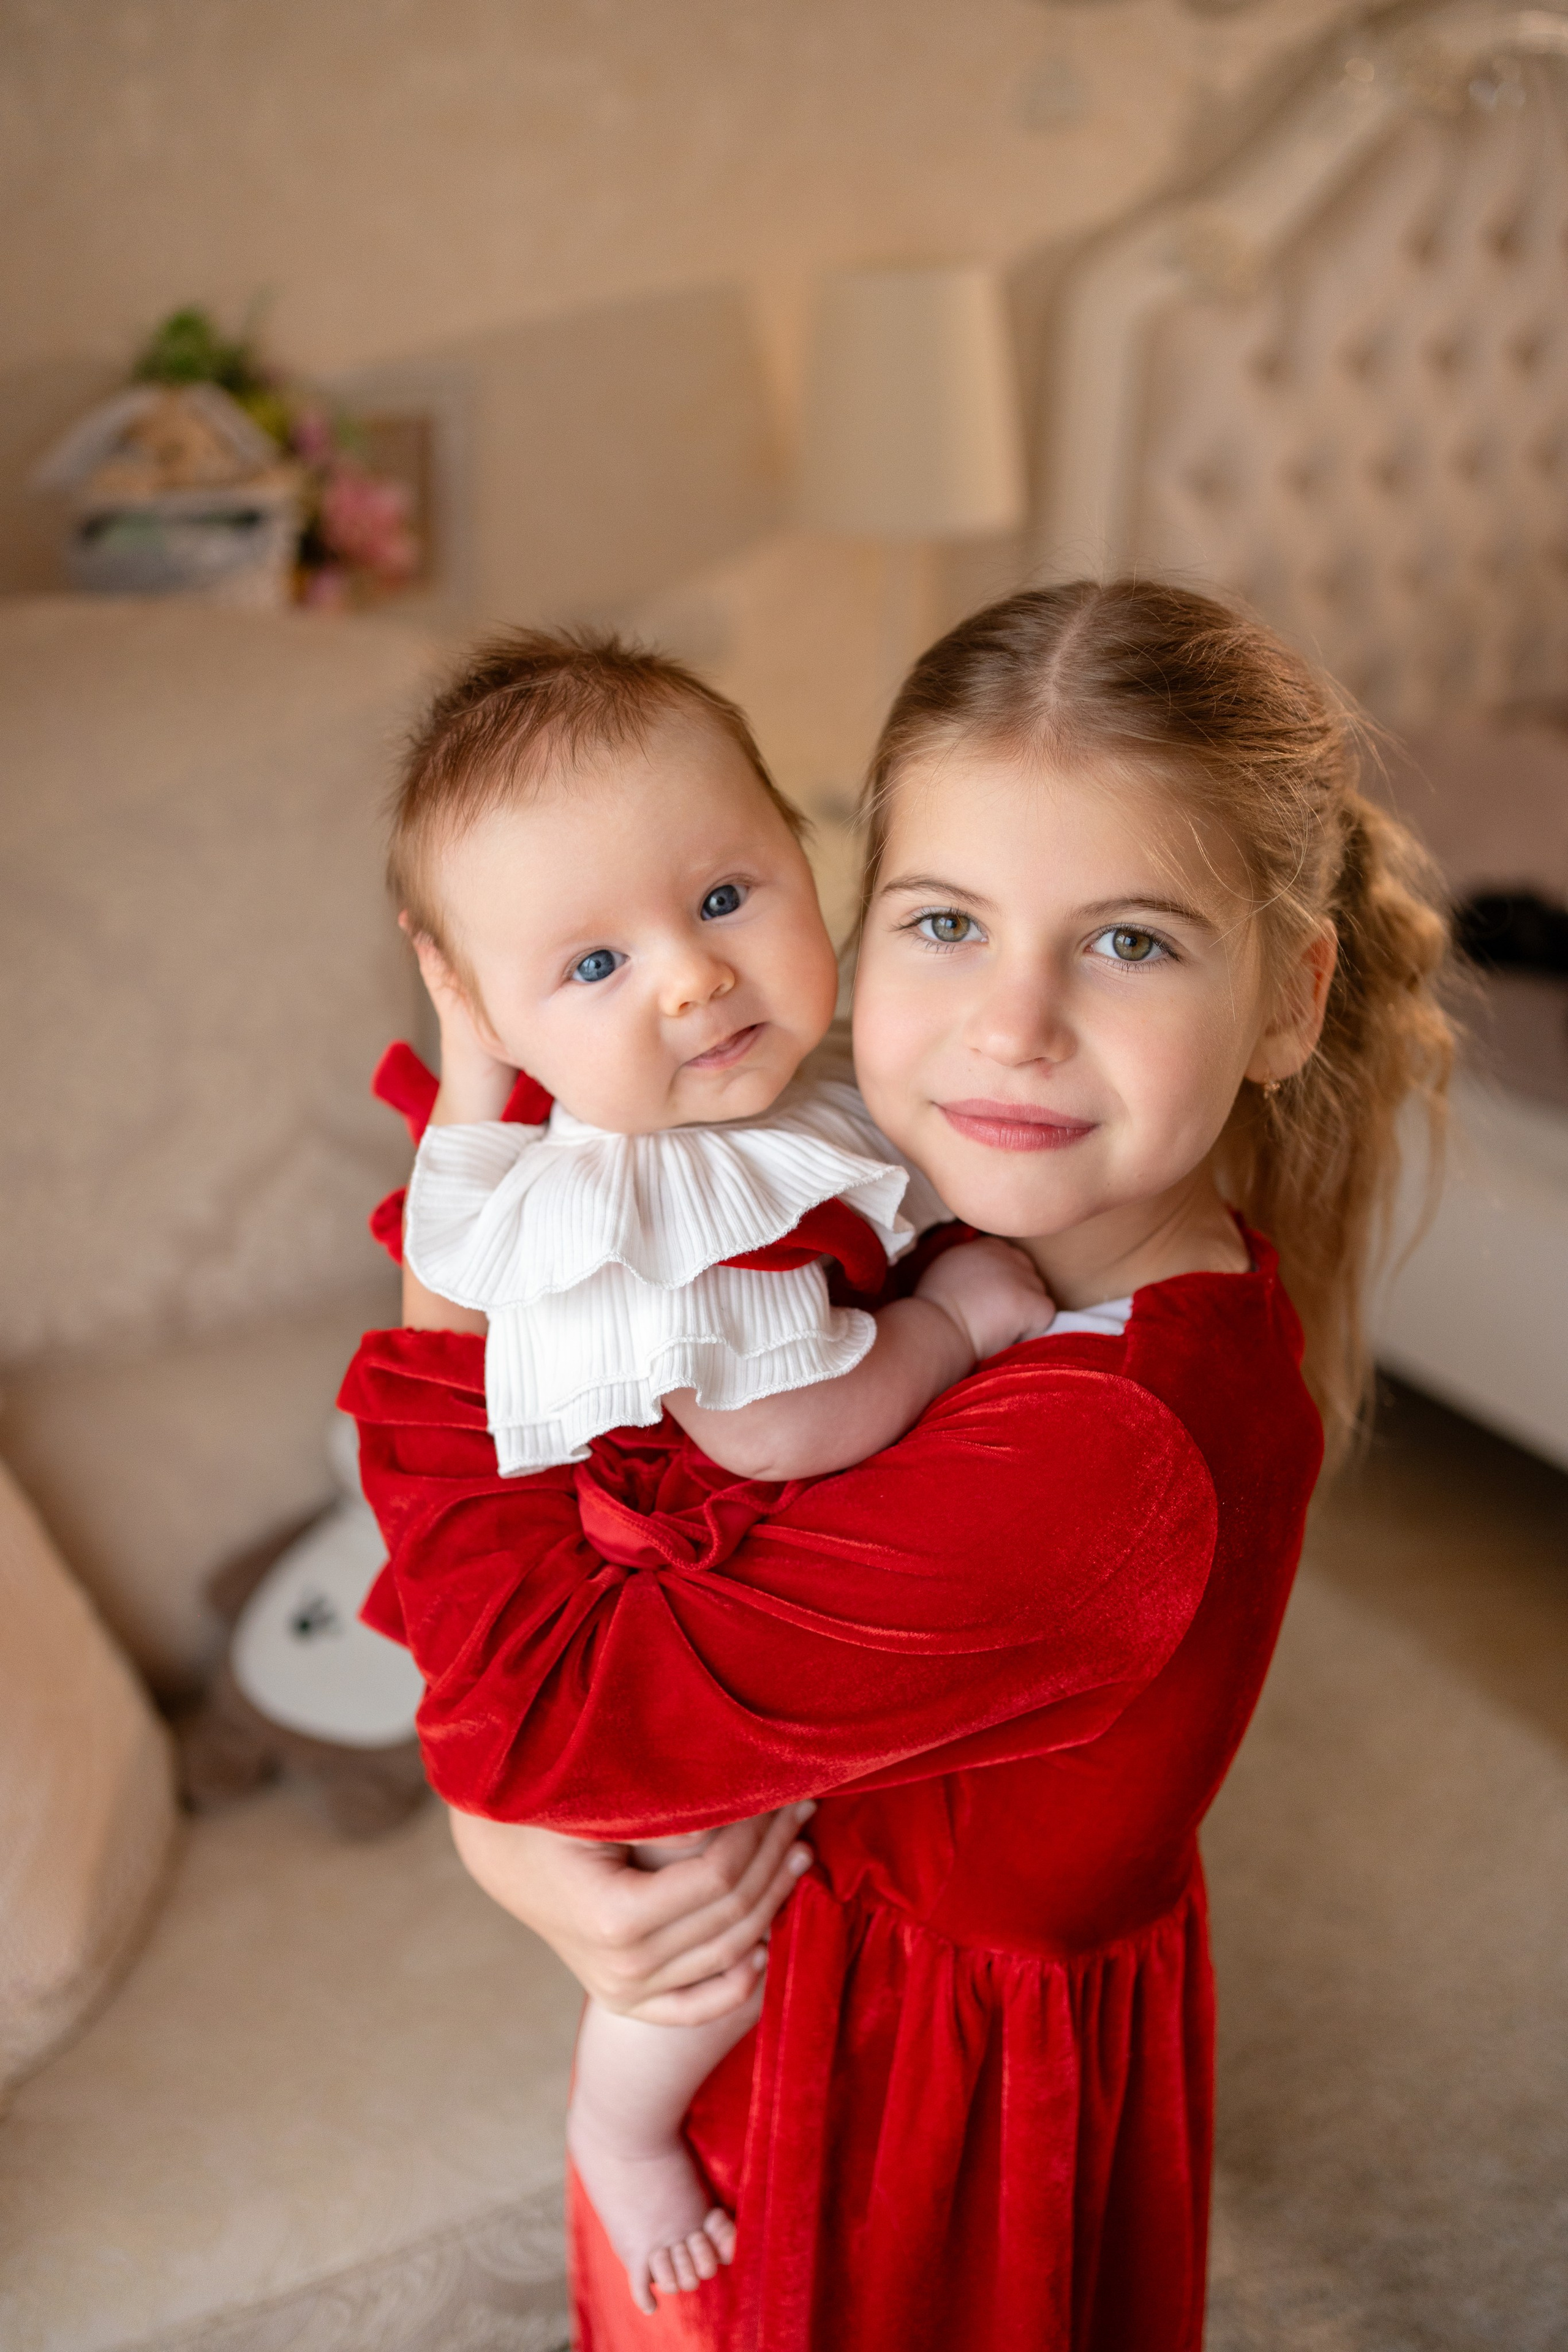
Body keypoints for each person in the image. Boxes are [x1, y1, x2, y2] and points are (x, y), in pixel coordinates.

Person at [343, 580, 1454, 2351]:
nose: (1009, 1025)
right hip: (804, 1955)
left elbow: (543, 1711)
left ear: (1288, 998)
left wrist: (496, 1826)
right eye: (944, 921)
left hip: (866, 2109)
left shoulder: (1110, 1473)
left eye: (1134, 941)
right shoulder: (938, 1182)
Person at [376, 628, 1060, 2309]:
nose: (689, 979)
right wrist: (954, 1332)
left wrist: (486, 1063)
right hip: (666, 1611)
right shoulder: (650, 1203)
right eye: (593, 968)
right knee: (697, 1947)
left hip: (753, 1569)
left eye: (728, 897)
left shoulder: (758, 1113)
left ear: (804, 852)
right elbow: (778, 1421)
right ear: (509, 1016)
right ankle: (627, 2126)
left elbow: (461, 1177)